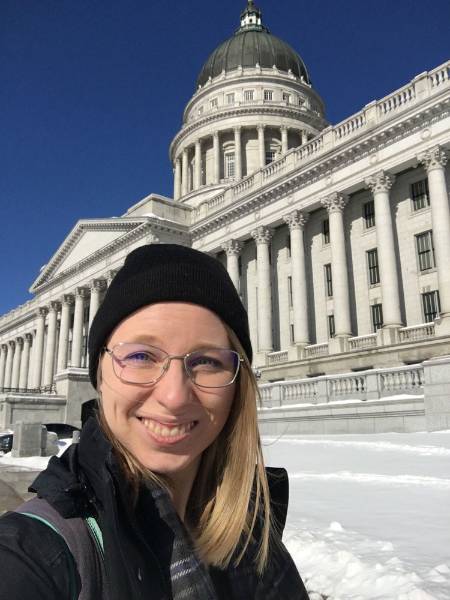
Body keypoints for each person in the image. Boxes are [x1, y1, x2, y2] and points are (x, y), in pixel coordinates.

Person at [0, 244, 310, 599]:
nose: (174, 396)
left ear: (238, 383)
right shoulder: (34, 556)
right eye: (141, 355)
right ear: (99, 374)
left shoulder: (257, 544)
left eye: (207, 361)